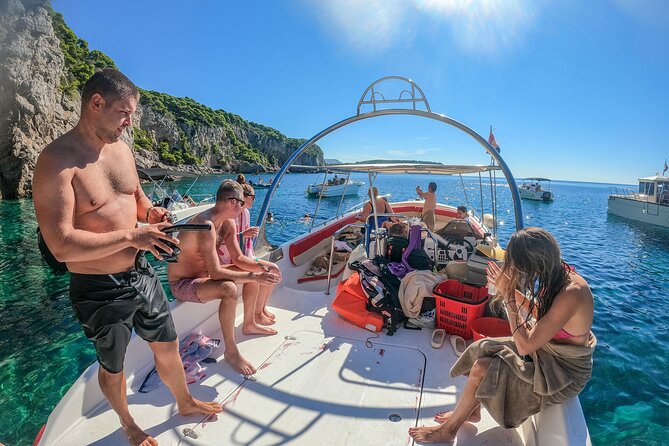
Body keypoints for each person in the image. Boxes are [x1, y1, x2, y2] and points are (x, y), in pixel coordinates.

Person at [32, 68, 222, 446]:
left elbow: (136, 199)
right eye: (124, 112)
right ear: (96, 103)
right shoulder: (56, 162)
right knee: (113, 366)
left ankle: (184, 401)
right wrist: (134, 235)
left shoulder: (122, 150)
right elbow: (62, 245)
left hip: (141, 271)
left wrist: (151, 215)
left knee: (166, 344)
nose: (129, 121)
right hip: (98, 287)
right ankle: (128, 424)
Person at [409, 227, 595, 443]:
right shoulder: (556, 276)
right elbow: (541, 314)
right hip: (545, 354)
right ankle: (472, 412)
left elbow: (526, 346)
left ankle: (448, 430)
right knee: (483, 347)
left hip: (562, 374)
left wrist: (508, 296)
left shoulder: (571, 292)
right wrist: (510, 290)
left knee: (482, 368)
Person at [168, 180, 280, 375]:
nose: (243, 208)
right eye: (242, 204)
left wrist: (264, 266)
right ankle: (231, 352)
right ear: (233, 202)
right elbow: (215, 273)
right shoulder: (205, 225)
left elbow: (238, 258)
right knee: (230, 288)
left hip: (203, 277)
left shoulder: (227, 223)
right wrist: (254, 276)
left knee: (253, 275)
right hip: (183, 284)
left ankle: (249, 323)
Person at [220, 175, 280, 333]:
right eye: (252, 197)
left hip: (246, 256)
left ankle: (260, 310)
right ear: (242, 198)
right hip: (230, 260)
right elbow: (225, 244)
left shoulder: (244, 214)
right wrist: (243, 235)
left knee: (273, 270)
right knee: (259, 273)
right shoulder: (228, 218)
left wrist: (243, 236)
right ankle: (254, 317)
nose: (254, 200)